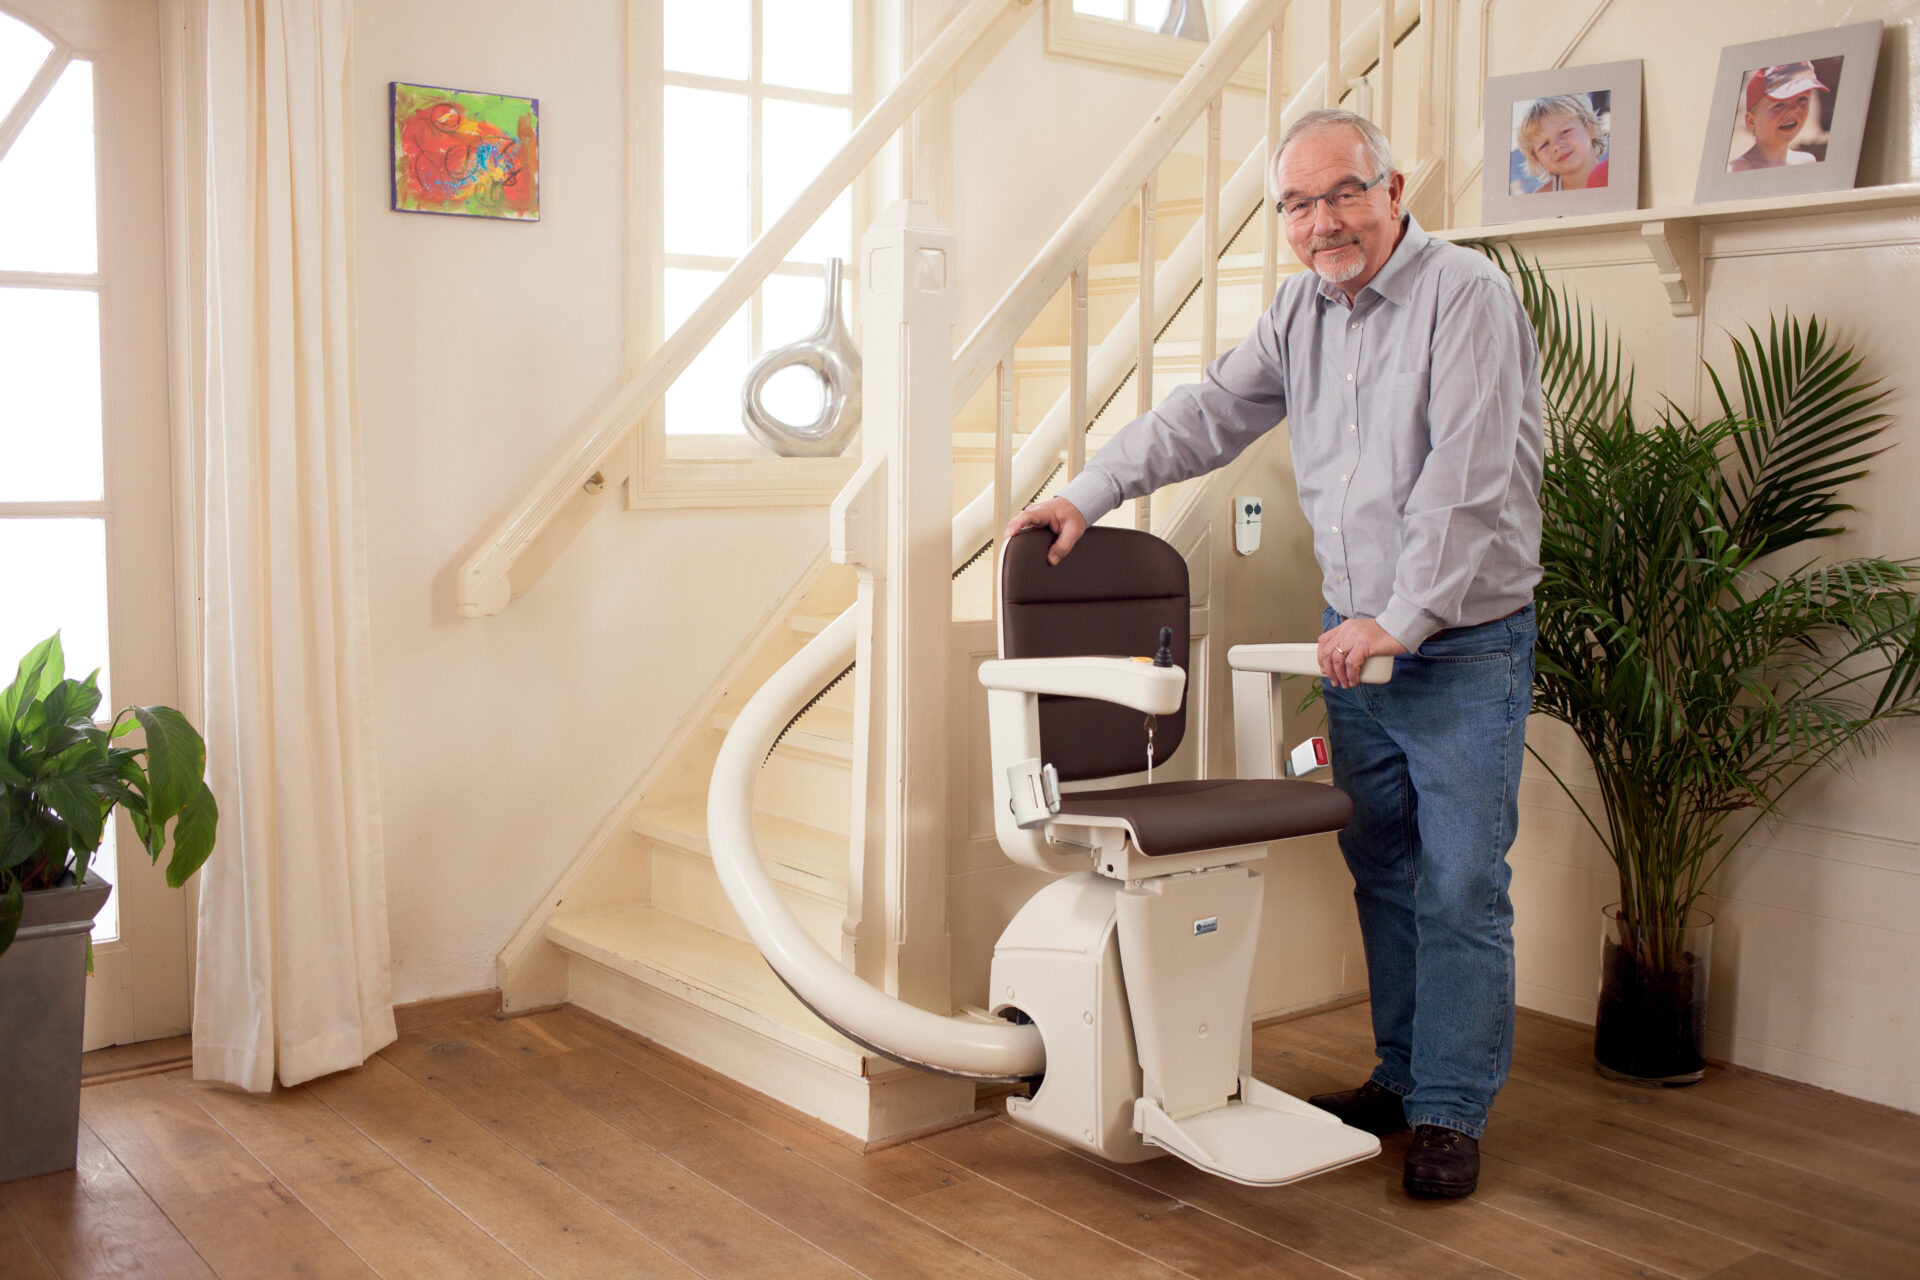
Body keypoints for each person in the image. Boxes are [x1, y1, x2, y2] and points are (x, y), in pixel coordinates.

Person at [1003, 109, 1543, 1200]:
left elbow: (1472, 479)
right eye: (1296, 203)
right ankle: (1400, 1077)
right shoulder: (1302, 310)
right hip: (1358, 650)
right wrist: (1086, 492)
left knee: (1461, 885)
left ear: (1395, 191)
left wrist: (1401, 615)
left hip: (1460, 644)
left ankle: (1449, 1107)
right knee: (1385, 873)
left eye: (1342, 192)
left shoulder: (1465, 295)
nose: (1319, 221)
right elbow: (1204, 415)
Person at [1728, 61, 1827, 171]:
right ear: (1751, 121)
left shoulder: (1807, 161)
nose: (1793, 110)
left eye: (1802, 99)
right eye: (1779, 104)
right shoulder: (1738, 170)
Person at [1514, 94, 1609, 192]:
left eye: (1565, 131)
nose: (1557, 146)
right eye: (1545, 144)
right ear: (1538, 161)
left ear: (1591, 129)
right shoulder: (1543, 197)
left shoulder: (1613, 176)